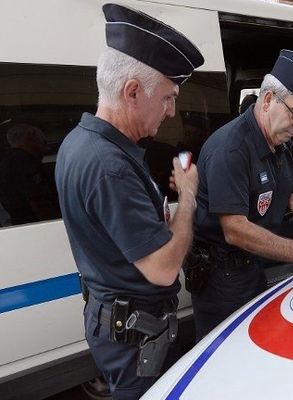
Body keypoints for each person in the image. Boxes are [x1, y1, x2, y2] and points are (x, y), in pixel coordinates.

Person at [54, 4, 204, 399]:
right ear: (133, 91)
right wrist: (187, 198)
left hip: (116, 320)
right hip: (135, 335)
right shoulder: (110, 165)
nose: (171, 112)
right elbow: (163, 270)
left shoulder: (80, 141)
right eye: (168, 98)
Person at [191, 49, 293, 340]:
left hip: (252, 268)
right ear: (267, 100)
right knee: (224, 355)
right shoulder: (231, 149)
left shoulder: (282, 142)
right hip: (222, 278)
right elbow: (235, 230)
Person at [0, 123, 59, 225]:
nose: (45, 148)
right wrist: (55, 222)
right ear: (31, 136)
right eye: (43, 142)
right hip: (35, 223)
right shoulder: (23, 161)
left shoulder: (8, 160)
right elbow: (38, 201)